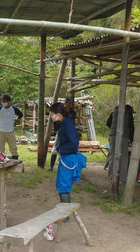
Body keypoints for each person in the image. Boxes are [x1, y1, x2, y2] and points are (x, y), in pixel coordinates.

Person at [44, 102, 87, 241]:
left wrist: (62, 149)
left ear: (58, 114)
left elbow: (74, 143)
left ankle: (65, 216)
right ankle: (65, 213)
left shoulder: (68, 125)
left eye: (51, 113)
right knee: (61, 185)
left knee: (63, 185)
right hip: (66, 157)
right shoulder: (63, 123)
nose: (51, 116)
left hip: (69, 158)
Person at [106, 104, 135, 183]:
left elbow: (108, 123)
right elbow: (131, 127)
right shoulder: (128, 113)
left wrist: (113, 129)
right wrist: (132, 140)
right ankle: (122, 178)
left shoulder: (114, 112)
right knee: (124, 157)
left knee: (112, 155)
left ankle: (111, 176)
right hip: (123, 136)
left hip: (113, 136)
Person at [0, 93, 23, 159]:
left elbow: (20, 115)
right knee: (0, 147)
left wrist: (16, 120)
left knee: (13, 147)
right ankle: (1, 159)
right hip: (1, 131)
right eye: (2, 101)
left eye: (4, 101)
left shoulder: (14, 109)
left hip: (10, 131)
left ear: (8, 101)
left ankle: (15, 159)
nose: (3, 102)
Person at [48, 97, 76, 171]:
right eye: (68, 103)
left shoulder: (72, 112)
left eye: (71, 103)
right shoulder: (60, 111)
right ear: (65, 102)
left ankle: (69, 166)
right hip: (61, 131)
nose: (69, 104)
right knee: (55, 148)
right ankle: (51, 166)